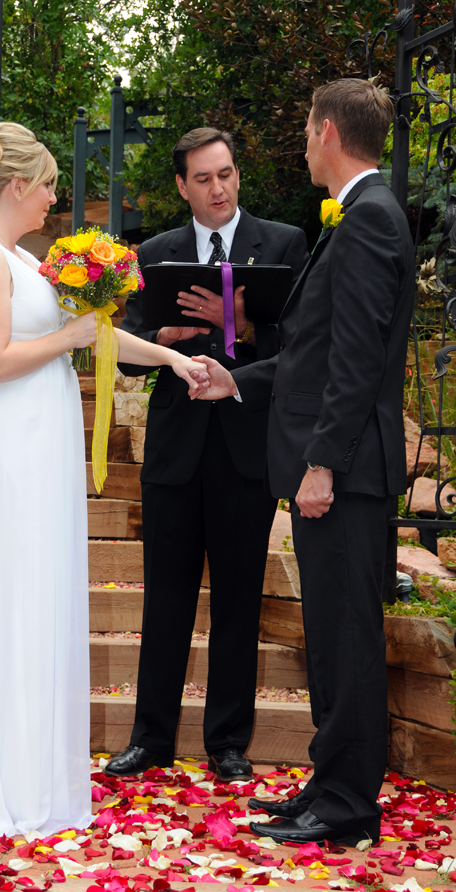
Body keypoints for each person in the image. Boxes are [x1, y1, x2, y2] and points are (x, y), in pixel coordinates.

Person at [0, 122, 209, 842]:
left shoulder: (24, 257)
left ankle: (26, 766)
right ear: (16, 187)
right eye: (48, 187)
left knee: (29, 595)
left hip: (34, 449)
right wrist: (68, 340)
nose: (55, 199)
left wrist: (170, 361)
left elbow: (89, 331)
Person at [190, 80, 414, 843]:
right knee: (329, 632)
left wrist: (321, 463)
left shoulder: (368, 222)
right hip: (337, 469)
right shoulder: (363, 216)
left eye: (306, 130)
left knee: (347, 637)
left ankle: (348, 806)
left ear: (326, 132)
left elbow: (354, 364)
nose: (303, 142)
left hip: (343, 476)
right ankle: (328, 784)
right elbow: (313, 356)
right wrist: (235, 380)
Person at [105, 128, 309, 783]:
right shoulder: (156, 253)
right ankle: (150, 738)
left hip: (247, 447)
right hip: (174, 449)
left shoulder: (282, 244)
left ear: (236, 174)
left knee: (239, 601)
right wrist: (160, 336)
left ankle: (228, 741)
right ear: (181, 185)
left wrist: (242, 325)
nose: (218, 188)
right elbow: (127, 351)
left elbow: (301, 346)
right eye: (203, 178)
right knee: (163, 598)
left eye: (226, 174)